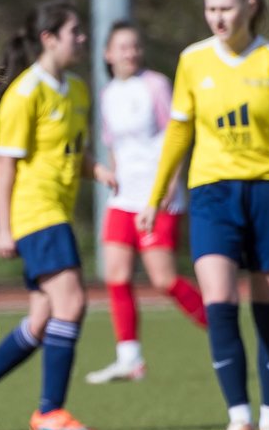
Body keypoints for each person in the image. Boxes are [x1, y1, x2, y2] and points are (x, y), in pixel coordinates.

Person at [136, 0, 269, 430]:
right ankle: (238, 418)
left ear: (251, 7)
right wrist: (155, 197)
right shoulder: (193, 60)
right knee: (218, 302)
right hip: (212, 194)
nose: (217, 17)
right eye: (210, 9)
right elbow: (179, 132)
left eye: (226, 8)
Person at [0, 0, 116, 430]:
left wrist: (100, 171)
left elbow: (73, 150)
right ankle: (49, 413)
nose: (83, 39)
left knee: (40, 320)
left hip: (58, 213)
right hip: (37, 212)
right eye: (75, 32)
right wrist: (5, 227)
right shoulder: (25, 94)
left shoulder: (77, 90)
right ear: (49, 38)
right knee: (72, 303)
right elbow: (6, 165)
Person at [85, 21, 207, 386]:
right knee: (116, 275)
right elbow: (111, 142)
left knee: (164, 279)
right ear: (108, 54)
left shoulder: (155, 84)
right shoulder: (107, 93)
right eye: (122, 47)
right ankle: (129, 359)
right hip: (123, 197)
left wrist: (170, 185)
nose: (130, 52)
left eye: (135, 46)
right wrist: (113, 174)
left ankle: (221, 331)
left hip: (156, 197)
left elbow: (176, 134)